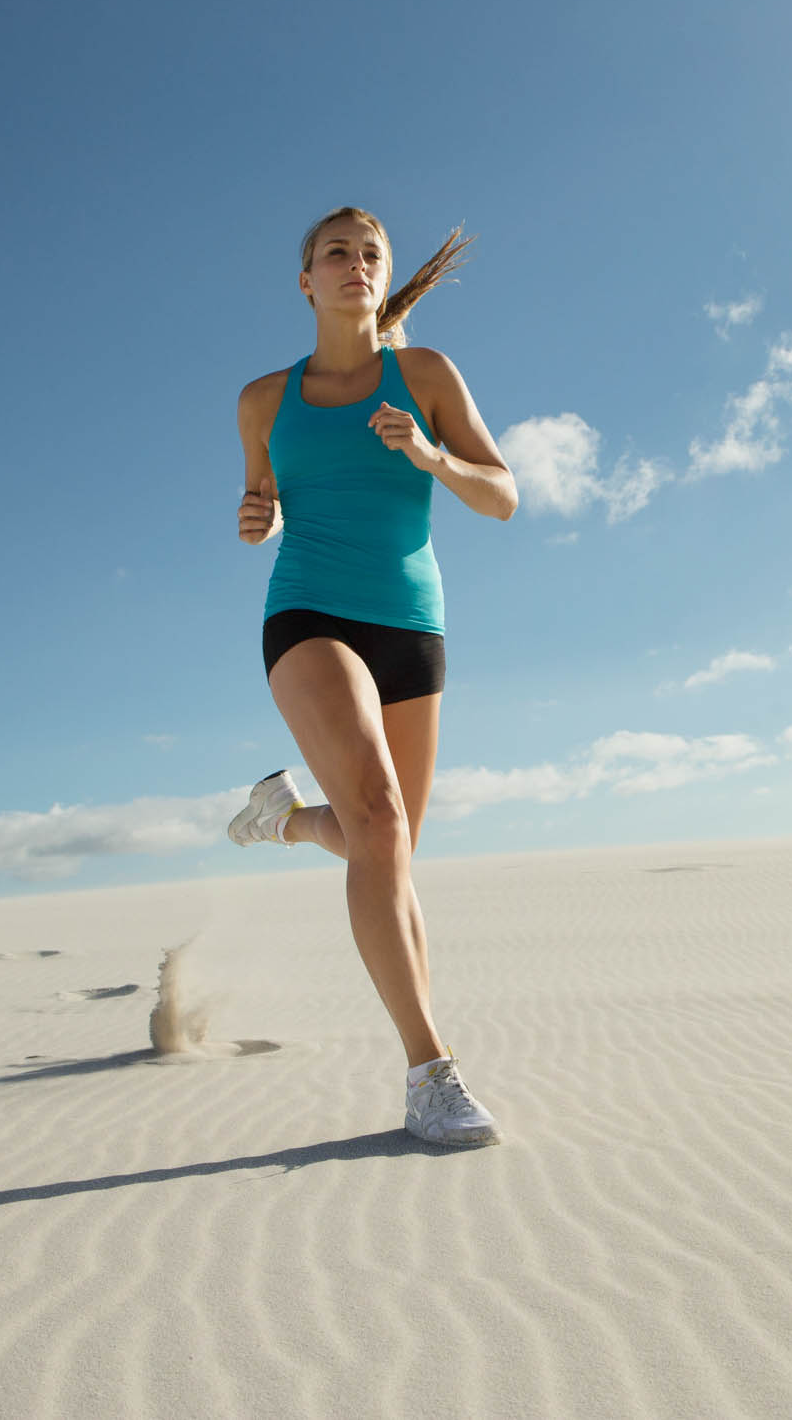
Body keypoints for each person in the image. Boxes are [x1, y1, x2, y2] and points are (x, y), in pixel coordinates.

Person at [229, 207, 518, 1147]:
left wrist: (429, 454)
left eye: (370, 253)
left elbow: (502, 495)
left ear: (381, 276)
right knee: (381, 824)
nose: (355, 263)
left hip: (412, 626)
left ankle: (280, 817)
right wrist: (259, 517)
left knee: (383, 848)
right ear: (305, 281)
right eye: (335, 252)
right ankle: (430, 1072)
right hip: (309, 611)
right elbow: (266, 503)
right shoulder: (264, 400)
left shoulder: (425, 376)